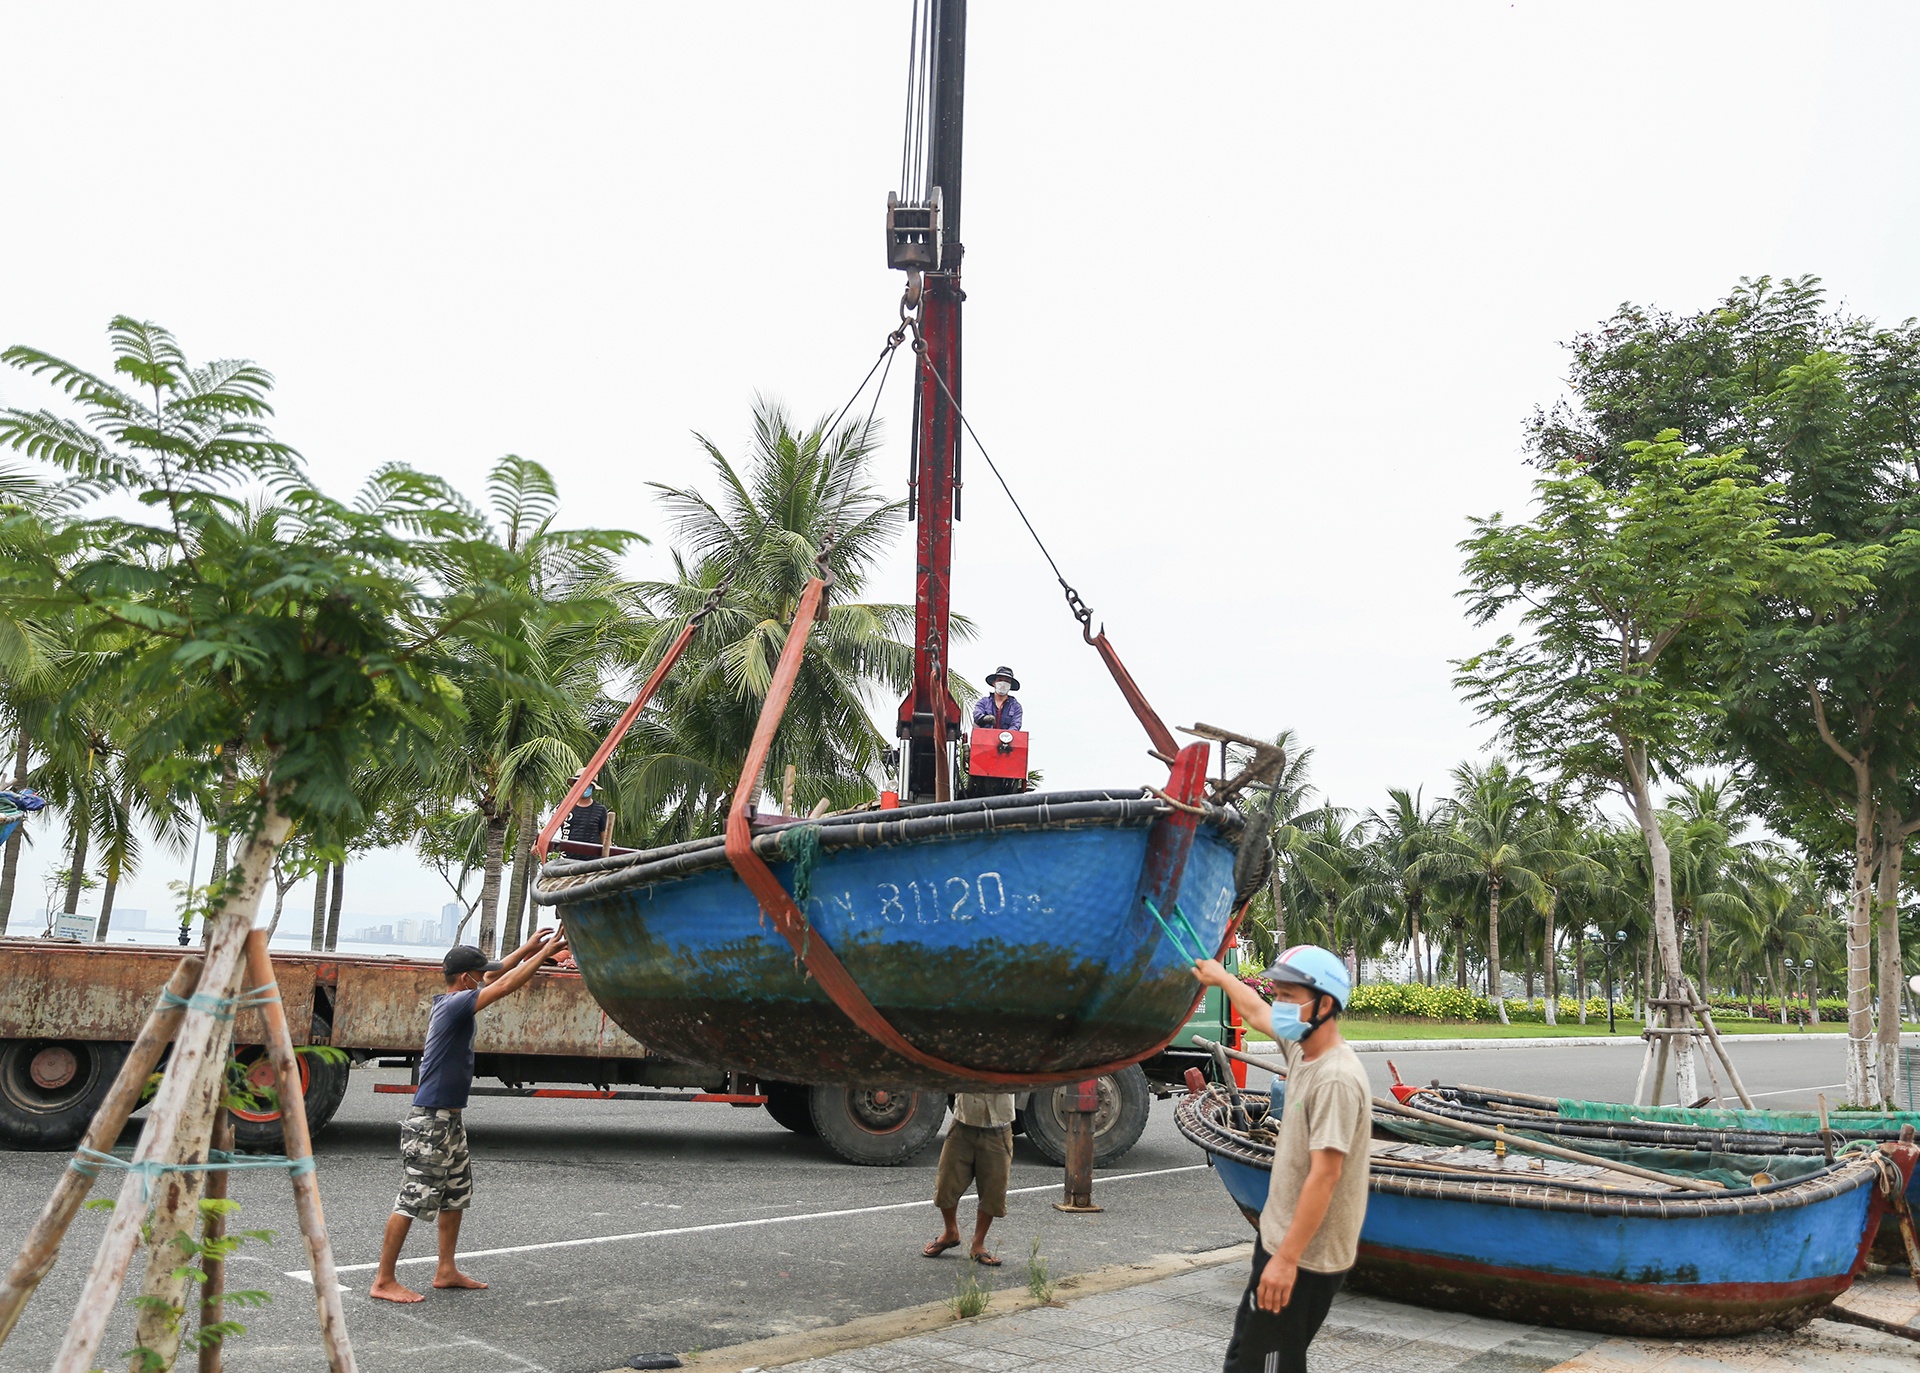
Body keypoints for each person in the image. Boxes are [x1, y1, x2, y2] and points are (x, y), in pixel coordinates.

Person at [1193, 946, 1369, 1373]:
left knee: (1265, 1366)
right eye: (1279, 993)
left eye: (1290, 996)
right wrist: (1220, 976)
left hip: (1306, 1256)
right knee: (1248, 1357)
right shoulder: (1304, 1049)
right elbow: (1256, 1012)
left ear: (1325, 1004)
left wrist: (1286, 1261)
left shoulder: (1336, 1079)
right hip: (1279, 1240)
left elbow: (1325, 1176)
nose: (1280, 1005)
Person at [369, 927, 570, 1303]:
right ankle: (383, 1280)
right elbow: (505, 985)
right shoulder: (456, 1004)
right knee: (411, 1199)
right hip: (430, 1121)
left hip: (449, 1120)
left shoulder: (455, 996)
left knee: (456, 1195)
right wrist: (542, 959)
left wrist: (527, 949)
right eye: (478, 975)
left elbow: (497, 974)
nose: (484, 978)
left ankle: (445, 1270)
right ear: (465, 979)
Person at [922, 1091, 1014, 1265]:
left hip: (998, 1128)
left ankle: (978, 1244)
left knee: (993, 1191)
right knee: (945, 1184)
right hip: (963, 1124)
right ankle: (951, 1233)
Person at [562, 777, 610, 849]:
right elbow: (552, 829)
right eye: (580, 784)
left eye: (588, 785)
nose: (584, 788)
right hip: (566, 857)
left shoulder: (600, 810)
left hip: (592, 859)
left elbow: (605, 838)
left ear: (593, 788)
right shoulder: (565, 807)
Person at [972, 667, 1022, 732]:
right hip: (984, 738)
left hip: (1007, 740)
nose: (1003, 684)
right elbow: (977, 715)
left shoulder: (1016, 707)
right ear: (994, 683)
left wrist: (1005, 736)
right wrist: (985, 718)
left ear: (1010, 685)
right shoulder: (983, 702)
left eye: (1007, 681)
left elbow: (1016, 725)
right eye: (1000, 680)